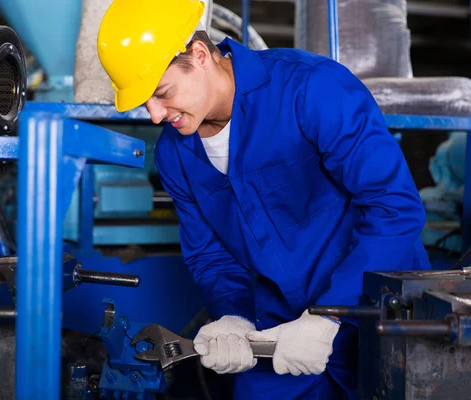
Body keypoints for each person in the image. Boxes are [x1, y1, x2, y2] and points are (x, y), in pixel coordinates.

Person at [97, 0, 431, 398]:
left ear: (200, 55)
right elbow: (209, 254)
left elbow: (395, 207)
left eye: (162, 93)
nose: (155, 115)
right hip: (277, 332)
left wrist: (329, 318)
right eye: (144, 102)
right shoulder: (176, 153)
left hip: (379, 312)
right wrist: (235, 316)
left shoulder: (311, 90)